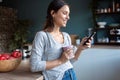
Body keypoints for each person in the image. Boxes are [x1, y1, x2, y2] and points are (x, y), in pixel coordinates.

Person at [30, 0, 92, 80]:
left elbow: (69, 61)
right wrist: (60, 60)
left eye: (68, 14)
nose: (68, 17)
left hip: (71, 75)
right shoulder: (42, 36)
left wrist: (80, 48)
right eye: (64, 13)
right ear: (53, 13)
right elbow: (34, 65)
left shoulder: (66, 36)